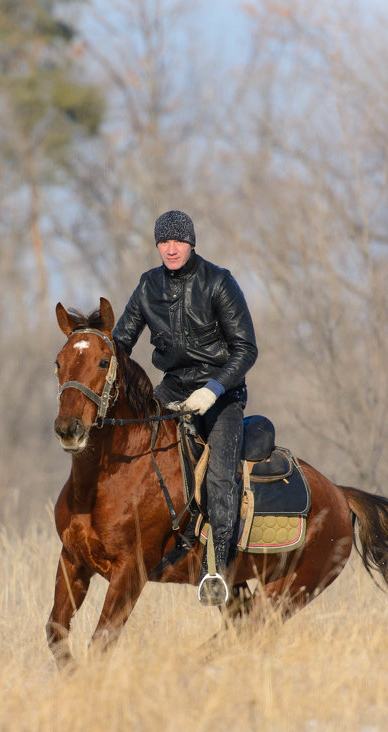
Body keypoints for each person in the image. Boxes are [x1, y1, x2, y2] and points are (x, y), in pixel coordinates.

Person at [112, 210, 258, 606]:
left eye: (178, 241)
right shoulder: (148, 285)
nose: (171, 248)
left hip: (221, 395)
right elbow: (119, 343)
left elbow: (246, 348)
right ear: (157, 245)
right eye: (163, 241)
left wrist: (213, 390)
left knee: (221, 476)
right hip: (171, 390)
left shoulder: (219, 282)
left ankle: (217, 570)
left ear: (191, 243)